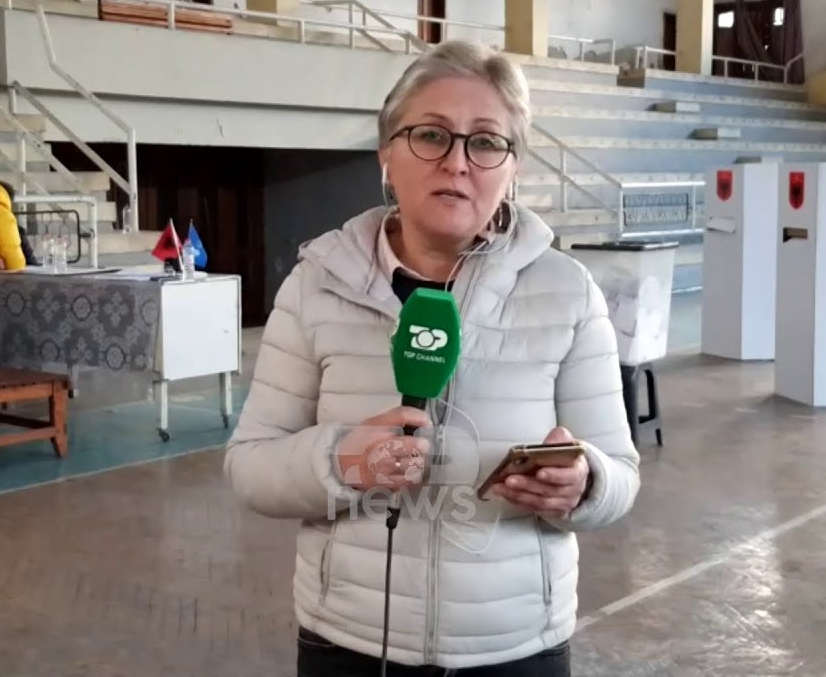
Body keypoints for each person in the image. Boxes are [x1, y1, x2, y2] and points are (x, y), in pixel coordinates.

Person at [224, 40, 641, 676]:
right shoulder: (315, 286)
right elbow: (251, 465)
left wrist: (586, 483)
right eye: (431, 135)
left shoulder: (567, 292)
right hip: (349, 642)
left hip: (516, 647)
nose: (457, 162)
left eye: (486, 142)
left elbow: (621, 476)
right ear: (386, 156)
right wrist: (342, 461)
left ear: (512, 167)